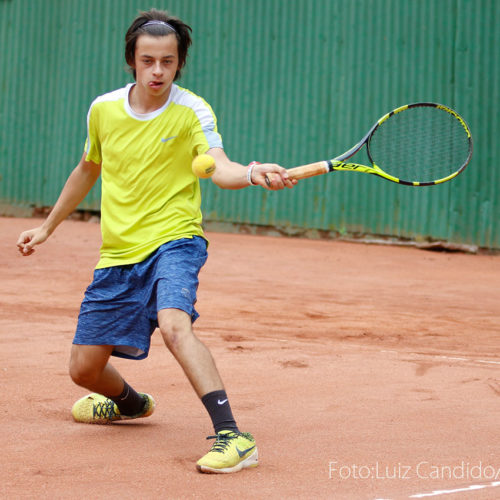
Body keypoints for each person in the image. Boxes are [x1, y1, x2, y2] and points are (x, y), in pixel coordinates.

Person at [16, 8, 295, 474]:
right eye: (148, 60)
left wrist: (251, 172)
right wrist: (48, 227)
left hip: (175, 240)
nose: (158, 71)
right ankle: (131, 404)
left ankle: (233, 436)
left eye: (168, 61)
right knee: (83, 370)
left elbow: (219, 167)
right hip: (118, 252)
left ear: (179, 62)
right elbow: (88, 168)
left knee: (173, 325)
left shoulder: (192, 110)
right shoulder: (103, 109)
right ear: (132, 60)